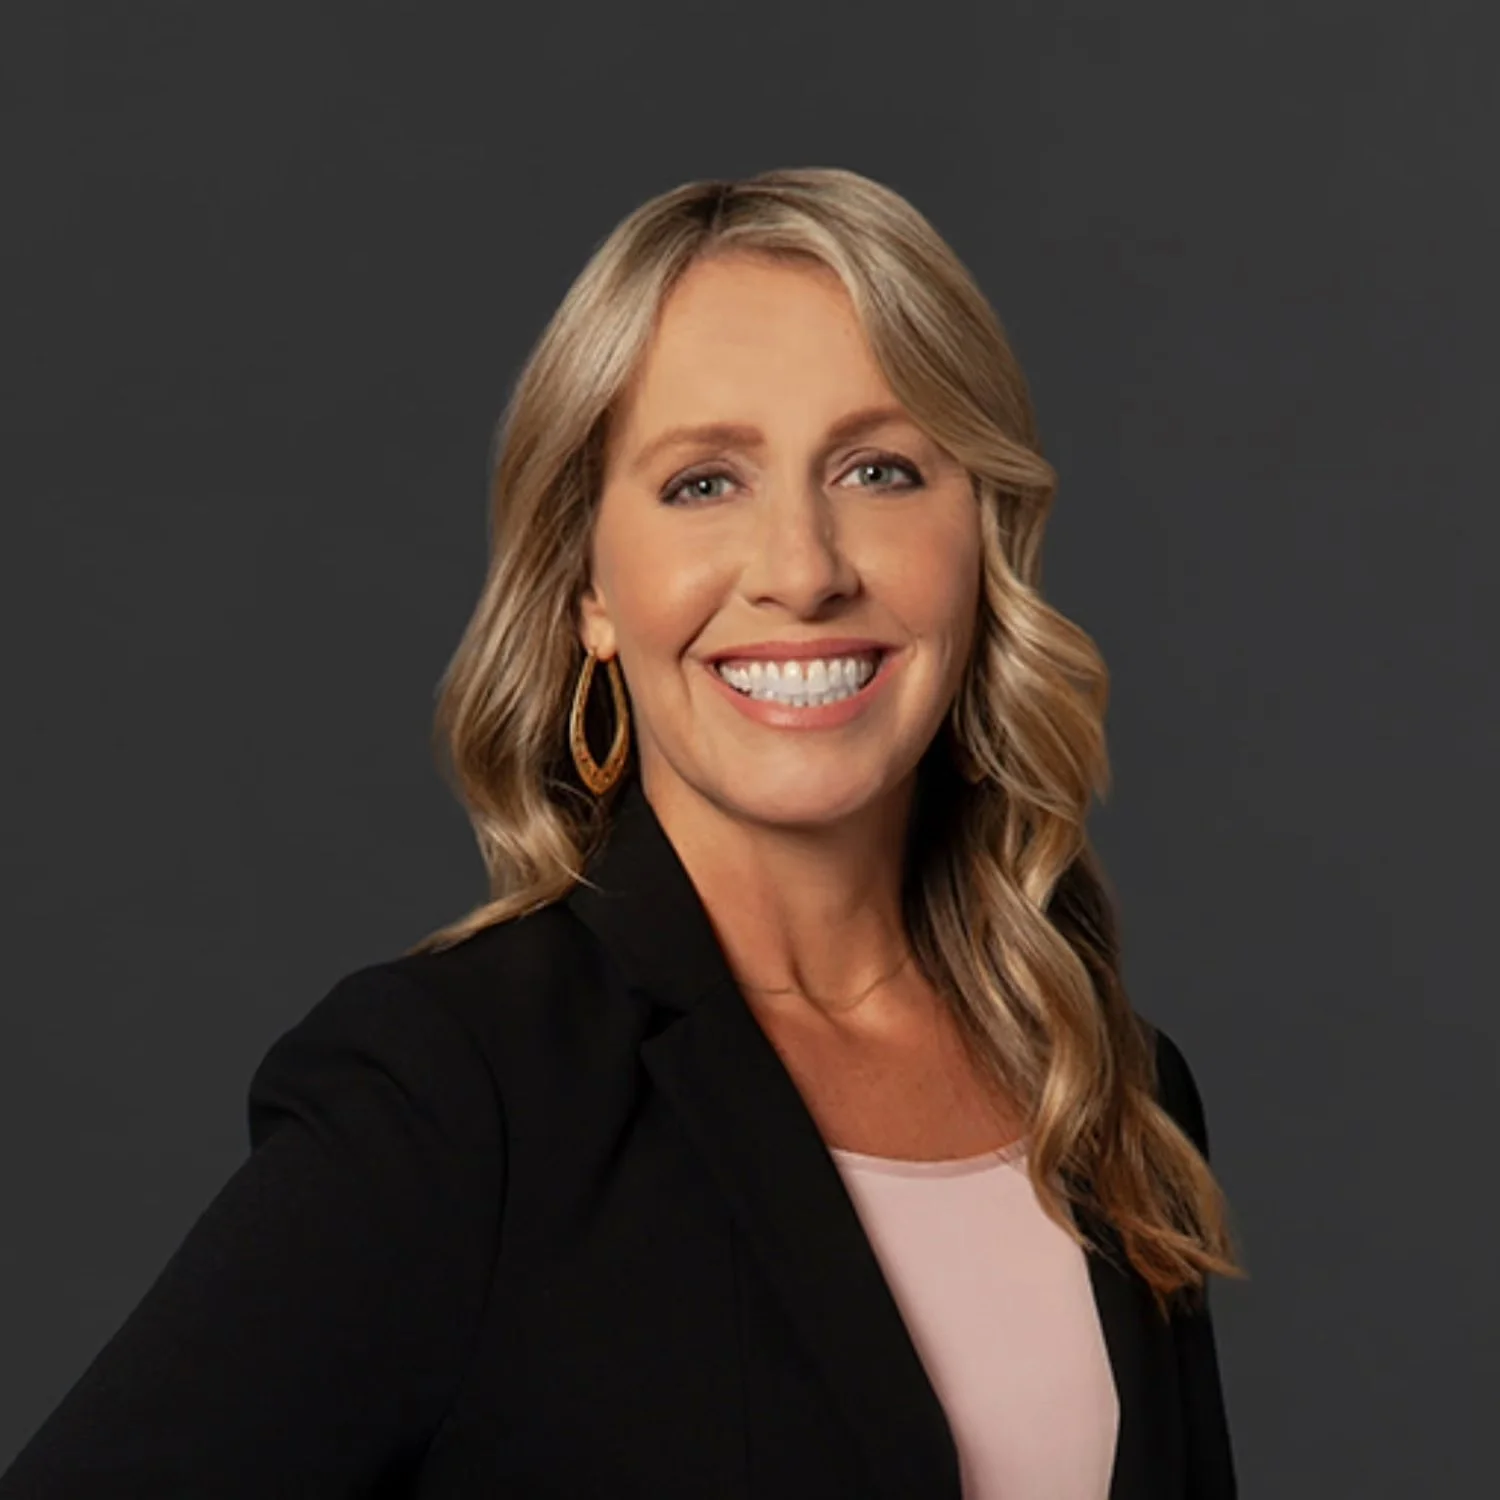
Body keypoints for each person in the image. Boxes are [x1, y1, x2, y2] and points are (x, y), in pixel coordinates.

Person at [0, 167, 1243, 1499]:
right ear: (589, 586)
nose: (804, 566)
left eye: (880, 468)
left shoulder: (1104, 1084)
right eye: (704, 483)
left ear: (982, 540)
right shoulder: (459, 1098)